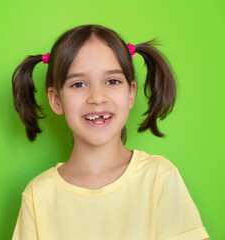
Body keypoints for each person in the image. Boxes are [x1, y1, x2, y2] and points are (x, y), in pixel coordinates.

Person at [11, 24, 209, 240]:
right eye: (78, 84)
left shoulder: (159, 178)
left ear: (131, 93)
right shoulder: (38, 196)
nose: (97, 97)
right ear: (56, 100)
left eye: (112, 81)